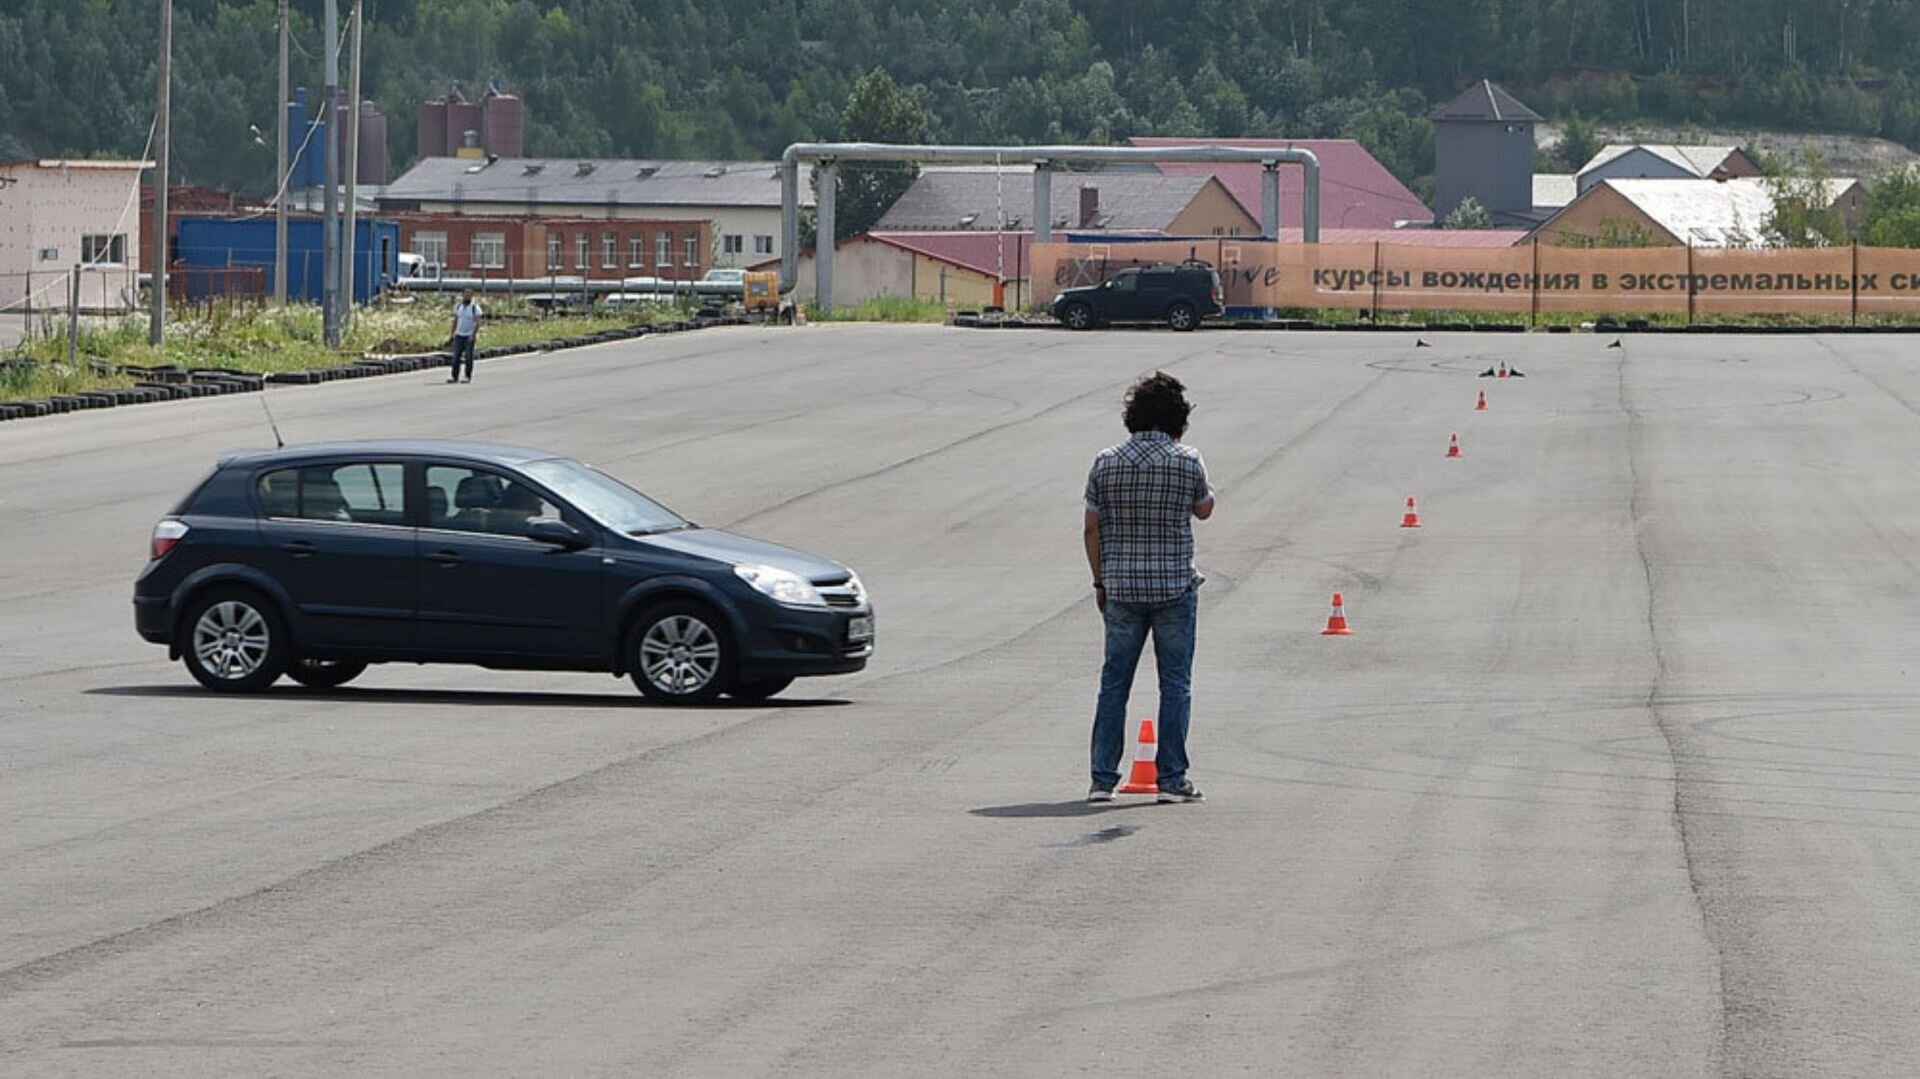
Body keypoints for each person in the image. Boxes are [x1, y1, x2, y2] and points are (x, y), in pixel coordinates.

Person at [1082, 371, 1215, 804]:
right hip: (1174, 585)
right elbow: (1204, 510)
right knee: (1175, 683)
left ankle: (1102, 779)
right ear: (1178, 419)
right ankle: (1172, 779)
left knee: (1114, 683)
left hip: (1121, 587)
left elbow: (1090, 528)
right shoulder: (1187, 460)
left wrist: (1100, 579)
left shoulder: (1105, 462)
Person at [448, 290, 483, 383]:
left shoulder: (475, 308)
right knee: (456, 357)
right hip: (459, 335)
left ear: (472, 296)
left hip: (469, 336)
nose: (466, 297)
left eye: (468, 295)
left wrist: (473, 335)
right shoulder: (459, 307)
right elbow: (455, 320)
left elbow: (478, 322)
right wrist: (452, 333)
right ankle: (454, 376)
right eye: (465, 295)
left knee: (468, 357)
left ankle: (467, 376)